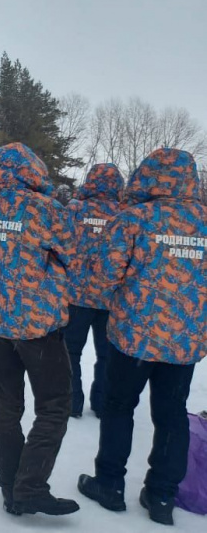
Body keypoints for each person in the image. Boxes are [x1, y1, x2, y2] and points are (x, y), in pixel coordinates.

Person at [77, 148, 207, 526]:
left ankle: (110, 485)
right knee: (172, 415)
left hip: (134, 335)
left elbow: (104, 276)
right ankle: (162, 495)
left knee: (119, 408)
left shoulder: (133, 219)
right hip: (184, 341)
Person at [0, 142, 78, 516]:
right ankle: (29, 486)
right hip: (36, 323)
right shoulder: (46, 208)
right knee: (54, 404)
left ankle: (10, 485)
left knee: (7, 405)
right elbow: (72, 253)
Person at [63, 164, 124, 418]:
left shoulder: (75, 209)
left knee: (70, 352)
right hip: (111, 296)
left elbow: (61, 243)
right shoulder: (124, 213)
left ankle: (72, 403)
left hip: (77, 294)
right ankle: (102, 403)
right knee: (107, 355)